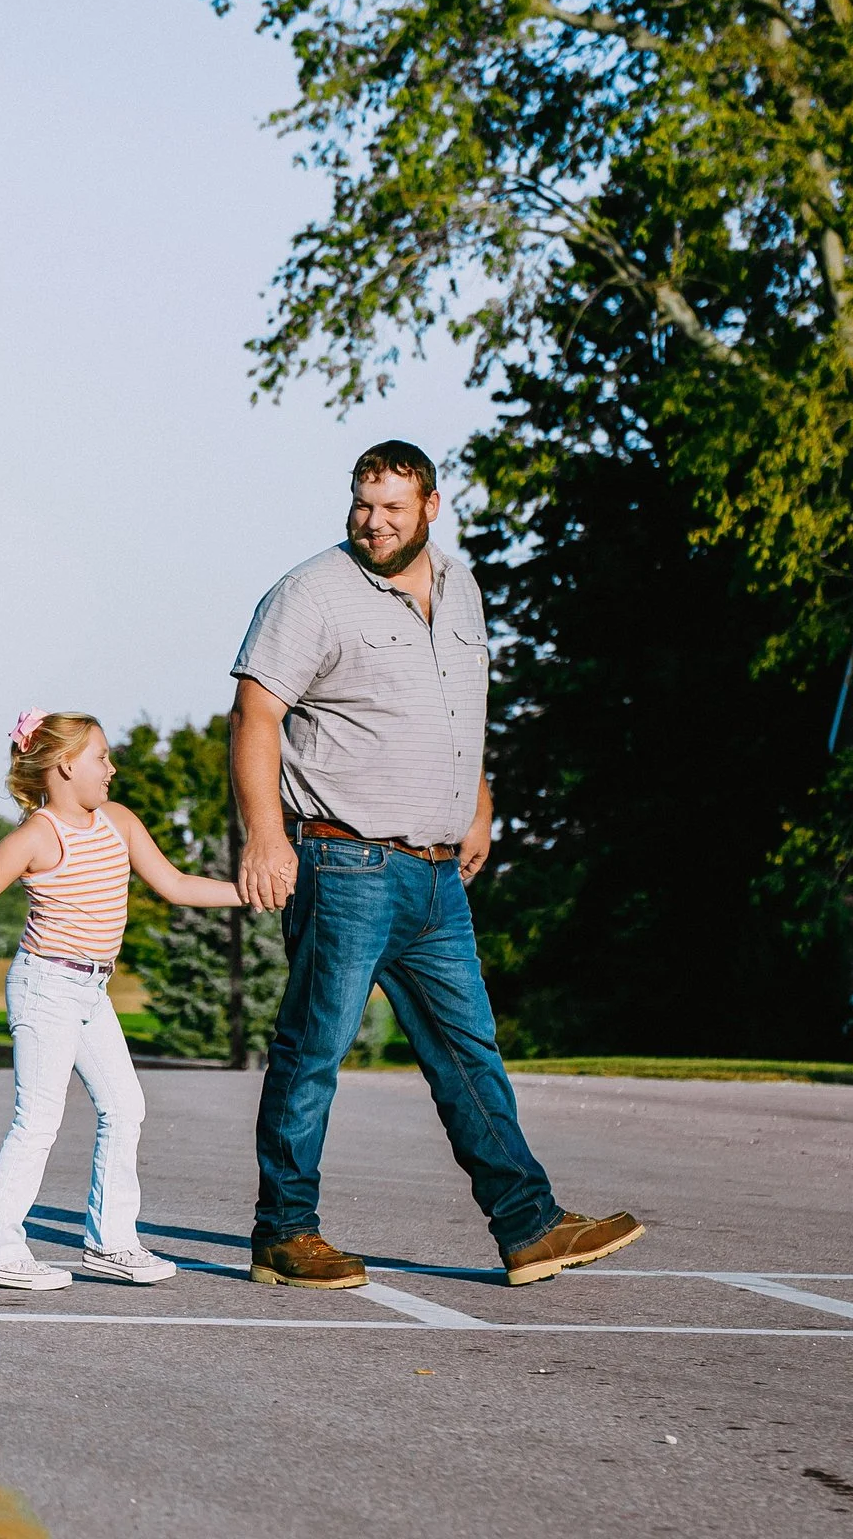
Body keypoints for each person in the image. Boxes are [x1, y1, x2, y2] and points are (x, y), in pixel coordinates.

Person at [230, 442, 643, 1289]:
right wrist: (265, 836)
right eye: (360, 504)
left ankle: (528, 1226)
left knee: (470, 1053)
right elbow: (254, 716)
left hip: (435, 876)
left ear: (431, 507)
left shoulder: (462, 590)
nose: (372, 522)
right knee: (314, 1050)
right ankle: (284, 1232)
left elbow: (461, 707)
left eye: (390, 507)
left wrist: (478, 801)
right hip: (345, 863)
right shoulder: (310, 594)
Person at [0, 712, 243, 1291]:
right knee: (37, 1120)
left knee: (126, 1107)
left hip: (92, 989)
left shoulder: (117, 821)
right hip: (46, 987)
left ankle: (112, 1244)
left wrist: (253, 893)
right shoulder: (37, 836)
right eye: (101, 757)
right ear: (65, 765)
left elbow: (175, 885)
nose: (112, 768)